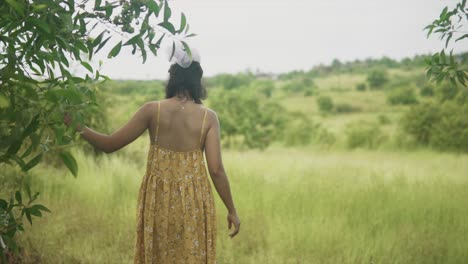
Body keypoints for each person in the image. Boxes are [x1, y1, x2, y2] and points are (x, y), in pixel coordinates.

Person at [63, 44, 240, 263]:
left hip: (158, 200)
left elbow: (108, 144)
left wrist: (76, 125)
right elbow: (216, 169)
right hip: (195, 201)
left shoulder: (152, 110)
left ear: (172, 75)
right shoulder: (208, 118)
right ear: (198, 77)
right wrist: (231, 209)